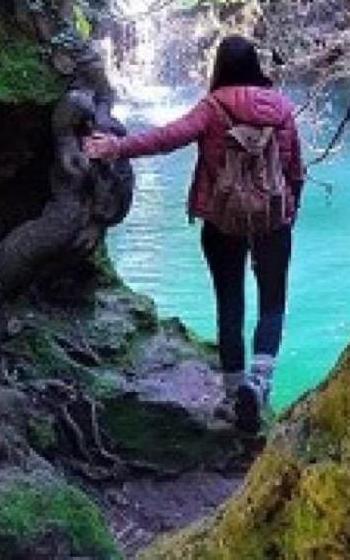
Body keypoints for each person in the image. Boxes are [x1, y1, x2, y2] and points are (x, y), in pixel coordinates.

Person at [83, 35, 304, 433]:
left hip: (222, 219)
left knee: (230, 303)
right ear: (255, 65)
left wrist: (117, 147)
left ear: (220, 66)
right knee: (272, 304)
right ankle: (260, 381)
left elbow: (167, 139)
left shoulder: (214, 107)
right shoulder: (282, 109)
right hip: (274, 219)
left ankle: (233, 396)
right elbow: (294, 169)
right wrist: (290, 210)